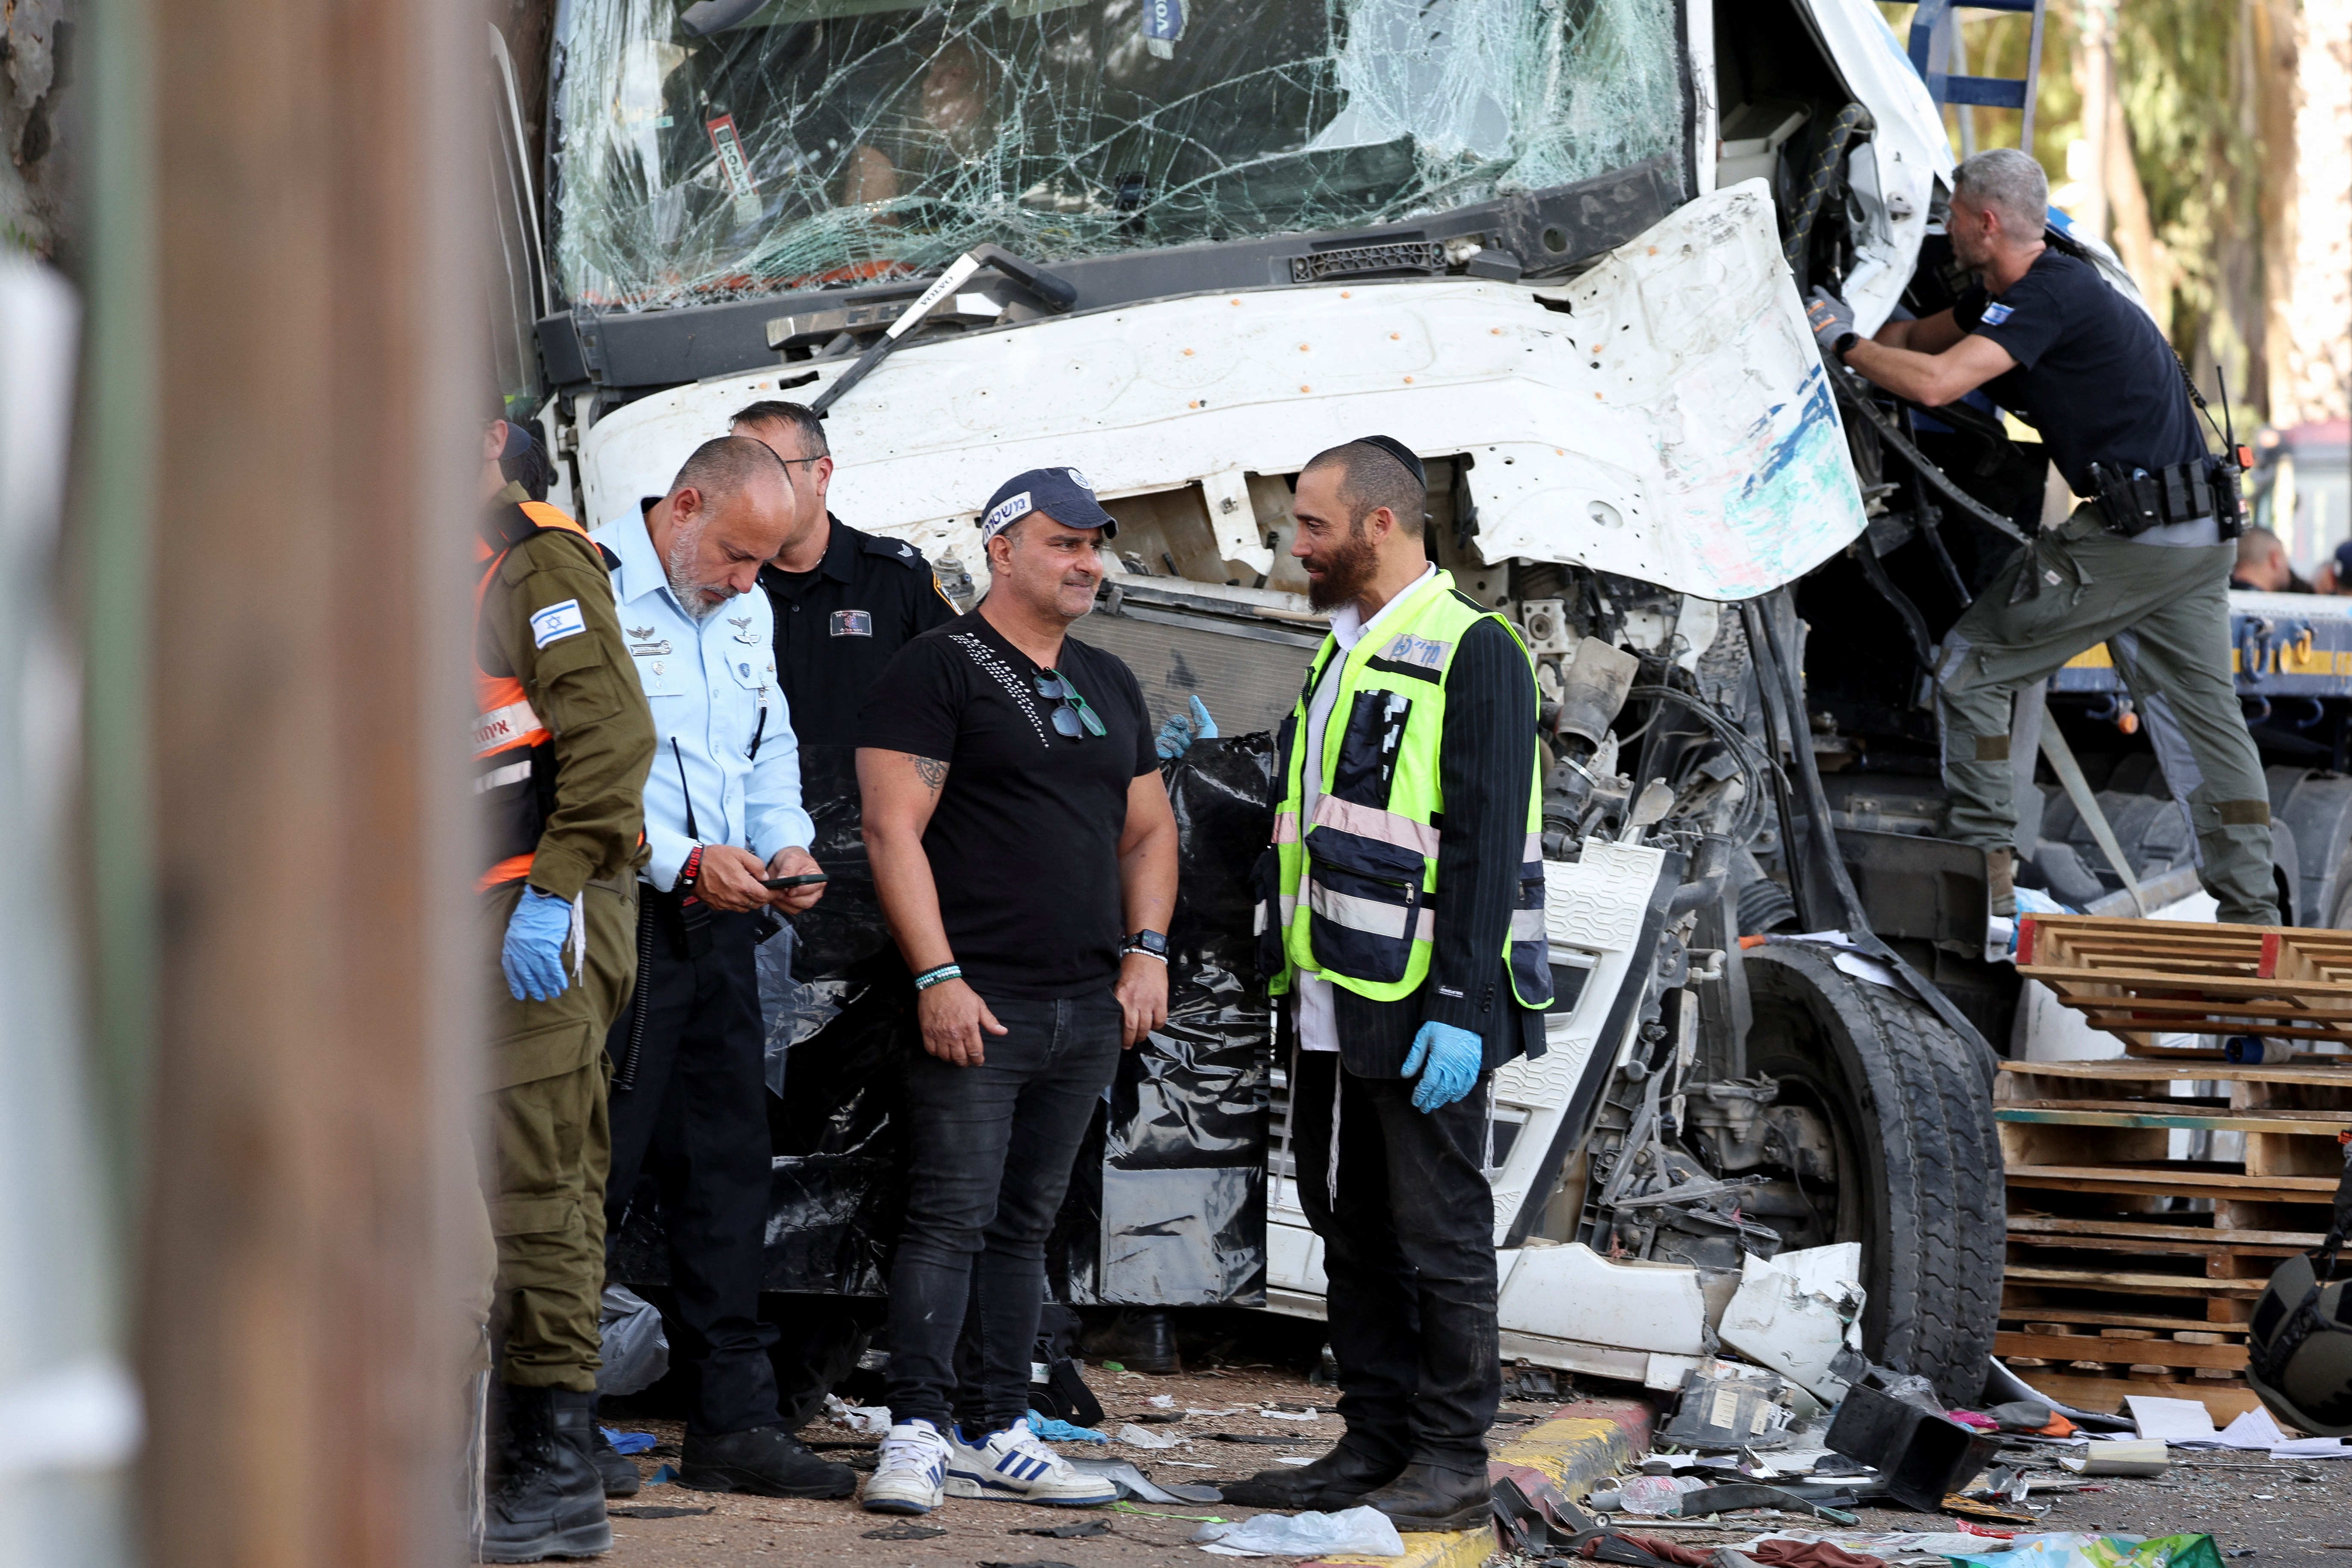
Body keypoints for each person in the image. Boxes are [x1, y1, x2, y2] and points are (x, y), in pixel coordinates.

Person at [1805, 147, 2278, 925]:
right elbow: (1918, 341)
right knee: (2206, 722)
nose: (1945, 229)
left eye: (1953, 216)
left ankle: (1983, 878)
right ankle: (2255, 915)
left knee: (1969, 668)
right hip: (2197, 536)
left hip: (2141, 535)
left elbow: (1934, 383)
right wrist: (1852, 321)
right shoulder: (2012, 291)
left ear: (1986, 224)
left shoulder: (2048, 296)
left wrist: (1843, 347)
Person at [1228, 436, 1551, 1533]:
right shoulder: (1344, 648)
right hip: (1337, 986)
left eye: (1311, 523)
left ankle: (1451, 1453)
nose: (1295, 541)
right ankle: (1374, 1437)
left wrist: (1461, 1005)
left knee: (1439, 1229)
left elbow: (1481, 841)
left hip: (1424, 999)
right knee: (1349, 1221)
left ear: (1378, 523)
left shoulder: (1474, 648)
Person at [853, 467, 1177, 1514]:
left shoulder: (1108, 678)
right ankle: (914, 1428)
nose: (1087, 562)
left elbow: (1149, 827)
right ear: (1000, 549)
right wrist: (937, 974)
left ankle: (996, 1427)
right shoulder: (935, 668)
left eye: (1094, 545)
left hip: (1082, 1002)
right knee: (947, 1215)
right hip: (976, 996)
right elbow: (888, 827)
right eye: (1062, 543)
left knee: (1023, 1224)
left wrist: (1147, 948)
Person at [589, 436, 858, 1499]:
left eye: (764, 563)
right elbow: (573, 769)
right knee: (589, 1175)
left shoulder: (740, 605)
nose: (750, 582)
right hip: (620, 920)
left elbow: (769, 742)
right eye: (739, 555)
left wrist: (784, 841)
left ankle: (733, 1418)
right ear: (684, 504)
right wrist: (681, 860)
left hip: (726, 923)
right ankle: (544, 1414)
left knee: (729, 1169)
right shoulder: (592, 586)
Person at [472, 417, 657, 1562]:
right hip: (473, 909)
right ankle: (543, 1453)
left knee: (537, 1185)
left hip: (538, 907)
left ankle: (550, 1470)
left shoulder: (531, 556)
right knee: (523, 1182)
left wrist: (554, 887)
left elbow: (611, 737)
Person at [732, 399, 960, 748]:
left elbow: (967, 690)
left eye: (768, 470)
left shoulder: (896, 578)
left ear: (821, 475)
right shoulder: (720, 582)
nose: (749, 490)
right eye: (737, 472)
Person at [2230, 527, 2311, 593]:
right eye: (2285, 559)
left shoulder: (2221, 600)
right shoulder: (2270, 609)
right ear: (2275, 559)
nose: (2288, 569)